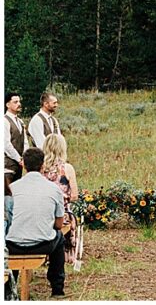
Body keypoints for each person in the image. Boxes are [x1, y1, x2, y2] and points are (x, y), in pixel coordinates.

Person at [6, 147, 67, 298]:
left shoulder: (12, 188)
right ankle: (57, 287)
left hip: (12, 244)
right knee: (59, 238)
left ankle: (9, 284)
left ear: (24, 166)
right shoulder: (54, 189)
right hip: (43, 243)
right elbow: (59, 225)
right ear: (42, 165)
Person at [41, 133, 79, 266]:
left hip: (43, 214)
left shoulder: (40, 169)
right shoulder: (67, 168)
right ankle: (67, 253)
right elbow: (74, 195)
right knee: (70, 214)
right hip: (62, 214)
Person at [4, 92, 26, 181]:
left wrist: (24, 157)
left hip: (19, 166)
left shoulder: (20, 121)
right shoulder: (4, 121)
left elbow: (25, 142)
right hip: (7, 166)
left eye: (19, 102)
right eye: (15, 102)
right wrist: (19, 159)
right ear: (7, 104)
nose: (19, 104)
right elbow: (6, 144)